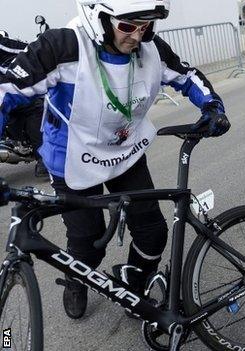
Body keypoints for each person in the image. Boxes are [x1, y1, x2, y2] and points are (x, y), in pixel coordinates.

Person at [0, 0, 230, 319]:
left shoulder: (151, 49)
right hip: (72, 159)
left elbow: (187, 76)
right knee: (88, 242)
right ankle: (75, 281)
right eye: (127, 26)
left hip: (124, 151)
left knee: (153, 233)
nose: (137, 36)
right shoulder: (62, 46)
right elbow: (6, 91)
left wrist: (213, 107)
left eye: (146, 25)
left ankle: (134, 283)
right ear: (99, 19)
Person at [0, 32, 47, 177]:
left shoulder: (4, 44)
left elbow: (27, 50)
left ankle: (44, 157)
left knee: (34, 106)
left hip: (15, 86)